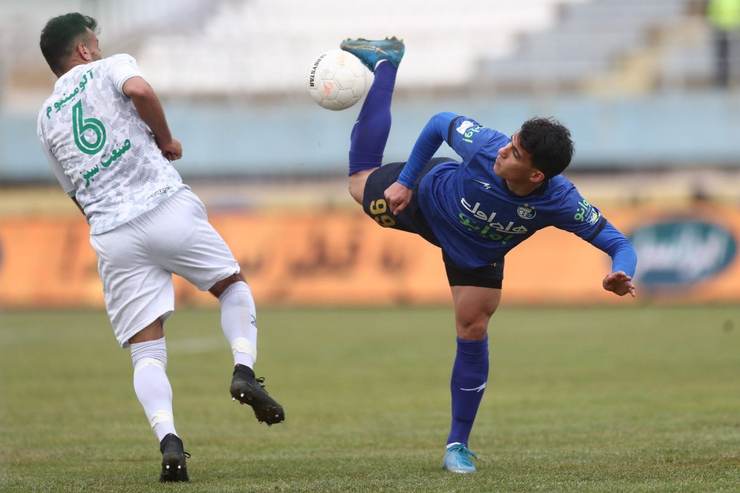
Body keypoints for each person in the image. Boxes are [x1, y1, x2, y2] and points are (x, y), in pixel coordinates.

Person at [339, 37, 637, 474]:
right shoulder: (484, 145)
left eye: (515, 152)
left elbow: (620, 243)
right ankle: (386, 64)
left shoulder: (561, 201)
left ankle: (457, 445)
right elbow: (440, 123)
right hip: (425, 197)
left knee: (473, 324)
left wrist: (620, 273)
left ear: (536, 174)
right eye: (510, 141)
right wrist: (404, 180)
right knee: (358, 181)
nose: (503, 150)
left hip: (475, 254)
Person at [36, 13, 284, 482]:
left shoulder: (45, 118)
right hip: (162, 205)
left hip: (111, 231)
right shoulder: (110, 68)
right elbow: (142, 92)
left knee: (146, 351)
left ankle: (170, 441)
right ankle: (244, 368)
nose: (100, 47)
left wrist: (107, 219)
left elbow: (73, 191)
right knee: (232, 286)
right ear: (84, 50)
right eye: (95, 42)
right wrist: (165, 140)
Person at [706, 0, 740, 88]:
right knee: (721, 56)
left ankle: (732, 79)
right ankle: (722, 80)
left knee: (732, 56)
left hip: (733, 29)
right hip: (720, 28)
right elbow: (711, 12)